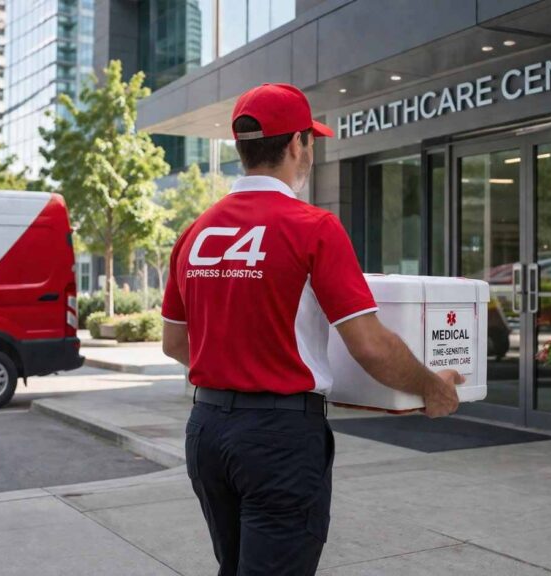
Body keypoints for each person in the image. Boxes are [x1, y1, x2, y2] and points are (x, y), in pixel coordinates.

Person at [160, 83, 465, 576]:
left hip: (207, 432)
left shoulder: (195, 233)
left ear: (242, 148)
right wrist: (434, 388)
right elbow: (368, 344)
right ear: (298, 144)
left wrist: (238, 358)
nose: (311, 153)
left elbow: (175, 342)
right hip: (279, 438)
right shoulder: (313, 227)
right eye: (311, 142)